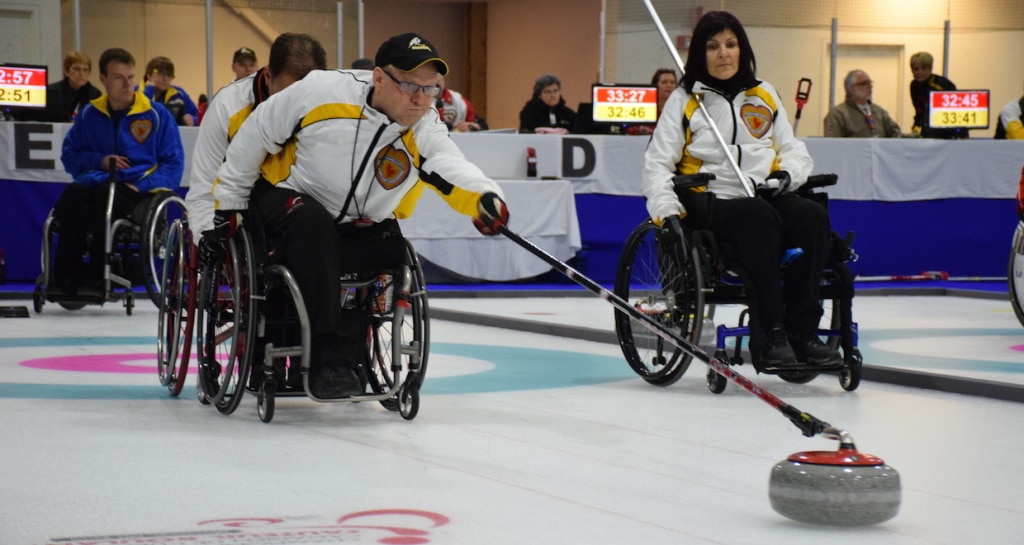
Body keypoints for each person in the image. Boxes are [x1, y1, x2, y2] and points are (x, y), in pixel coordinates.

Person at [207, 32, 510, 399]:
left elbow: (447, 163)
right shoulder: (321, 91)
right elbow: (253, 137)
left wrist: (484, 196)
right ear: (379, 78)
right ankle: (327, 359)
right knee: (312, 224)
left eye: (430, 89)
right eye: (410, 85)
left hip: (357, 220)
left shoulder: (422, 124)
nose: (419, 99)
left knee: (388, 247)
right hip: (287, 196)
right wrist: (229, 204)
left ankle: (350, 358)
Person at [642, 10, 841, 370]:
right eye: (713, 46)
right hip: (710, 201)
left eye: (731, 45)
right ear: (700, 54)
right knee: (757, 216)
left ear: (742, 49)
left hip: (764, 193)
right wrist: (666, 213)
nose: (723, 54)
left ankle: (804, 333)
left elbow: (793, 150)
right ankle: (772, 334)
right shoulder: (685, 99)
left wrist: (786, 177)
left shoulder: (763, 93)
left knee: (810, 215)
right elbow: (657, 164)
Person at [54, 47, 184, 296]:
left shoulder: (157, 115)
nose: (127, 84)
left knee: (107, 198)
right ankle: (64, 278)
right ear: (102, 79)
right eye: (118, 77)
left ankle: (96, 277)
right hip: (97, 179)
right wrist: (99, 160)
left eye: (131, 77)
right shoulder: (89, 114)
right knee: (72, 196)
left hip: (138, 187)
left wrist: (141, 186)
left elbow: (173, 166)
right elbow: (69, 156)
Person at [16, 51, 102, 123]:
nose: (81, 74)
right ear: (66, 71)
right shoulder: (51, 92)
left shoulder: (94, 95)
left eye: (85, 70)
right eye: (76, 69)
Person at [823, 69, 901, 137]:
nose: (870, 87)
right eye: (864, 83)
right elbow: (832, 144)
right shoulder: (837, 115)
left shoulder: (879, 112)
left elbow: (895, 133)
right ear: (851, 89)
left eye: (870, 83)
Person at [909, 51, 967, 139]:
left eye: (923, 68)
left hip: (948, 130)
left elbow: (958, 109)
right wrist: (916, 127)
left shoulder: (942, 84)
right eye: (916, 69)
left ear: (930, 69)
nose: (919, 72)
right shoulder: (914, 85)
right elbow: (919, 111)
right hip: (927, 129)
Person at [141, 56, 199, 126]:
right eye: (161, 73)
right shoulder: (135, 92)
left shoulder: (179, 93)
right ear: (149, 75)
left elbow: (199, 116)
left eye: (169, 75)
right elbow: (139, 115)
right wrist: (149, 91)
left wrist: (193, 120)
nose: (165, 78)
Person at [625, 68, 678, 136]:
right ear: (655, 85)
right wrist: (640, 130)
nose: (669, 85)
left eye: (672, 83)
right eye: (664, 82)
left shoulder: (680, 108)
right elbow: (628, 128)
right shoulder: (645, 106)